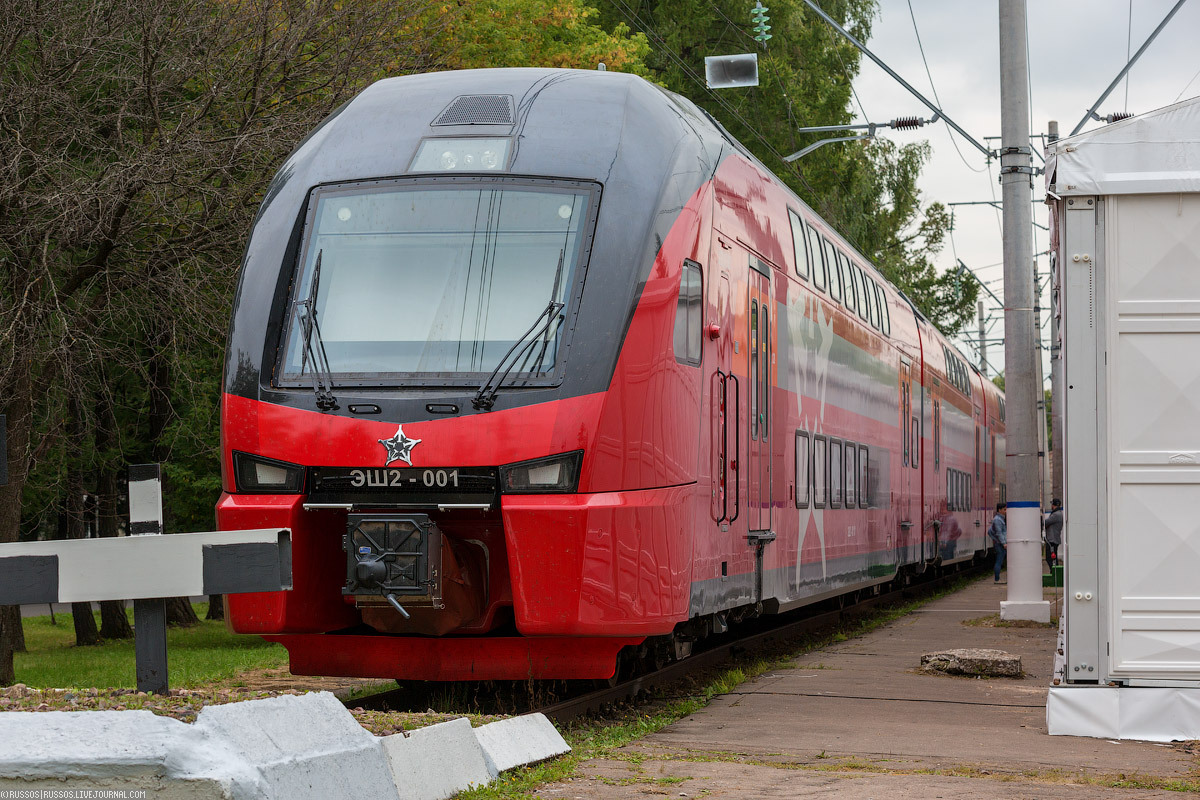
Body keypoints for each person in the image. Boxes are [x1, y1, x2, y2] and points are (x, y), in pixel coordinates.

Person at [988, 502, 1007, 583]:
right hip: (1000, 544)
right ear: (999, 510)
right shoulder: (998, 520)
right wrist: (1004, 543)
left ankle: (997, 578)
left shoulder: (999, 519)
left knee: (1000, 559)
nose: (1006, 511)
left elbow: (990, 531)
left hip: (1000, 543)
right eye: (1004, 509)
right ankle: (997, 579)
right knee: (999, 560)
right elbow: (999, 533)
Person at [1044, 498, 1063, 570]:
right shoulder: (1058, 513)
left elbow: (1046, 522)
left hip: (1052, 540)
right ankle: (1054, 572)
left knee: (1050, 558)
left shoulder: (1056, 515)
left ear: (1054, 505)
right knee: (1053, 558)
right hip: (1054, 539)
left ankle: (1054, 573)